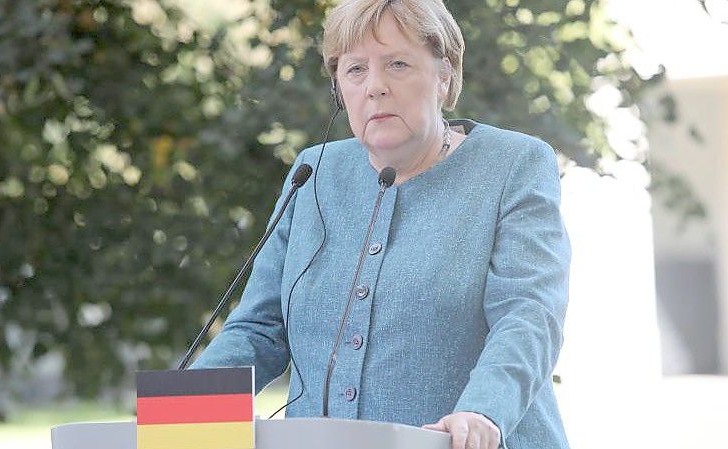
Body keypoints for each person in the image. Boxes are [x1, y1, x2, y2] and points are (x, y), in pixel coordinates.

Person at [191, 1, 571, 448]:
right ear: (339, 90)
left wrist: (483, 410)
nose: (376, 87)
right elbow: (258, 327)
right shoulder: (313, 172)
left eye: (397, 64)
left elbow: (528, 315)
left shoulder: (515, 164)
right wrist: (185, 416)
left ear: (443, 77)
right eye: (355, 70)